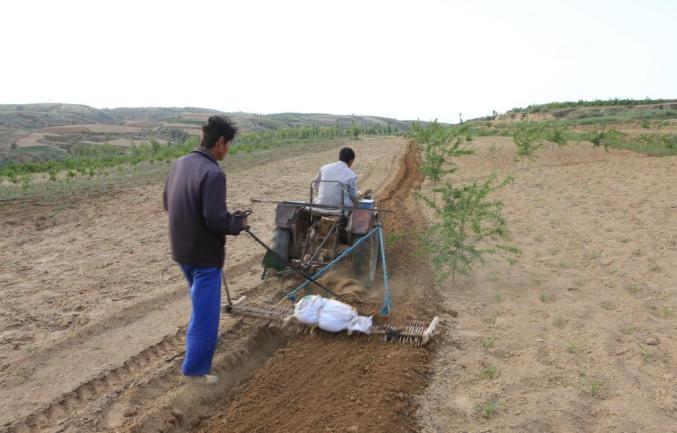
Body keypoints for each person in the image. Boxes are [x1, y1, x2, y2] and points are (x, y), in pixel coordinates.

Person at [163, 115, 247, 385]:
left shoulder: (179, 164)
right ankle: (196, 372)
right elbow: (215, 220)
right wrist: (238, 223)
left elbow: (168, 202)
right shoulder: (213, 173)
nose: (228, 151)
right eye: (228, 145)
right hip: (204, 258)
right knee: (206, 316)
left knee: (200, 307)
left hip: (181, 251)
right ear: (220, 141)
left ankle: (195, 360)